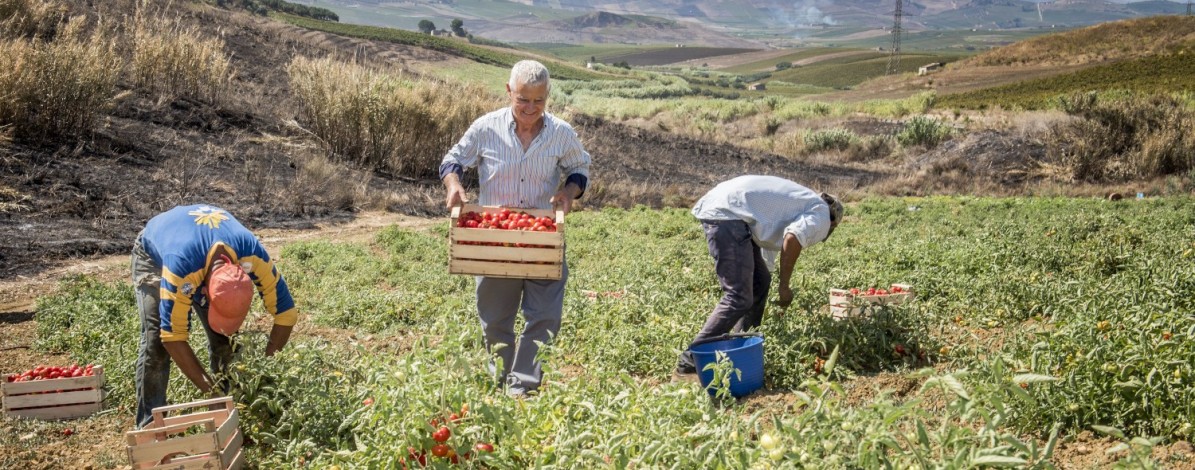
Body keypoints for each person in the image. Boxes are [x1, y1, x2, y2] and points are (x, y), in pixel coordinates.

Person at [439, 60, 591, 397]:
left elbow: (580, 168)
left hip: (542, 237)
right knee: (495, 319)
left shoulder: (561, 133)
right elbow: (452, 160)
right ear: (509, 91)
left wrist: (568, 192)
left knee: (545, 317)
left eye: (539, 101)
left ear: (548, 97)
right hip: (496, 238)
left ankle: (522, 387)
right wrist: (454, 185)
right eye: (523, 99)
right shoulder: (485, 128)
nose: (530, 108)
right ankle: (501, 378)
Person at [131, 204, 297, 427]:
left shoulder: (253, 255)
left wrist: (263, 369)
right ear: (205, 291)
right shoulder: (182, 269)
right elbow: (172, 337)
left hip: (201, 249)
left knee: (224, 341)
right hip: (154, 254)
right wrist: (212, 391)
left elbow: (286, 315)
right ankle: (150, 424)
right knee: (155, 343)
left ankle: (227, 414)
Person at [676, 175, 843, 374]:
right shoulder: (823, 214)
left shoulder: (799, 202)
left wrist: (767, 280)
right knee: (738, 297)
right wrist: (784, 287)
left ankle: (743, 346)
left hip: (731, 209)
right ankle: (691, 360)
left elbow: (769, 244)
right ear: (833, 222)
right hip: (729, 214)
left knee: (760, 281)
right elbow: (792, 238)